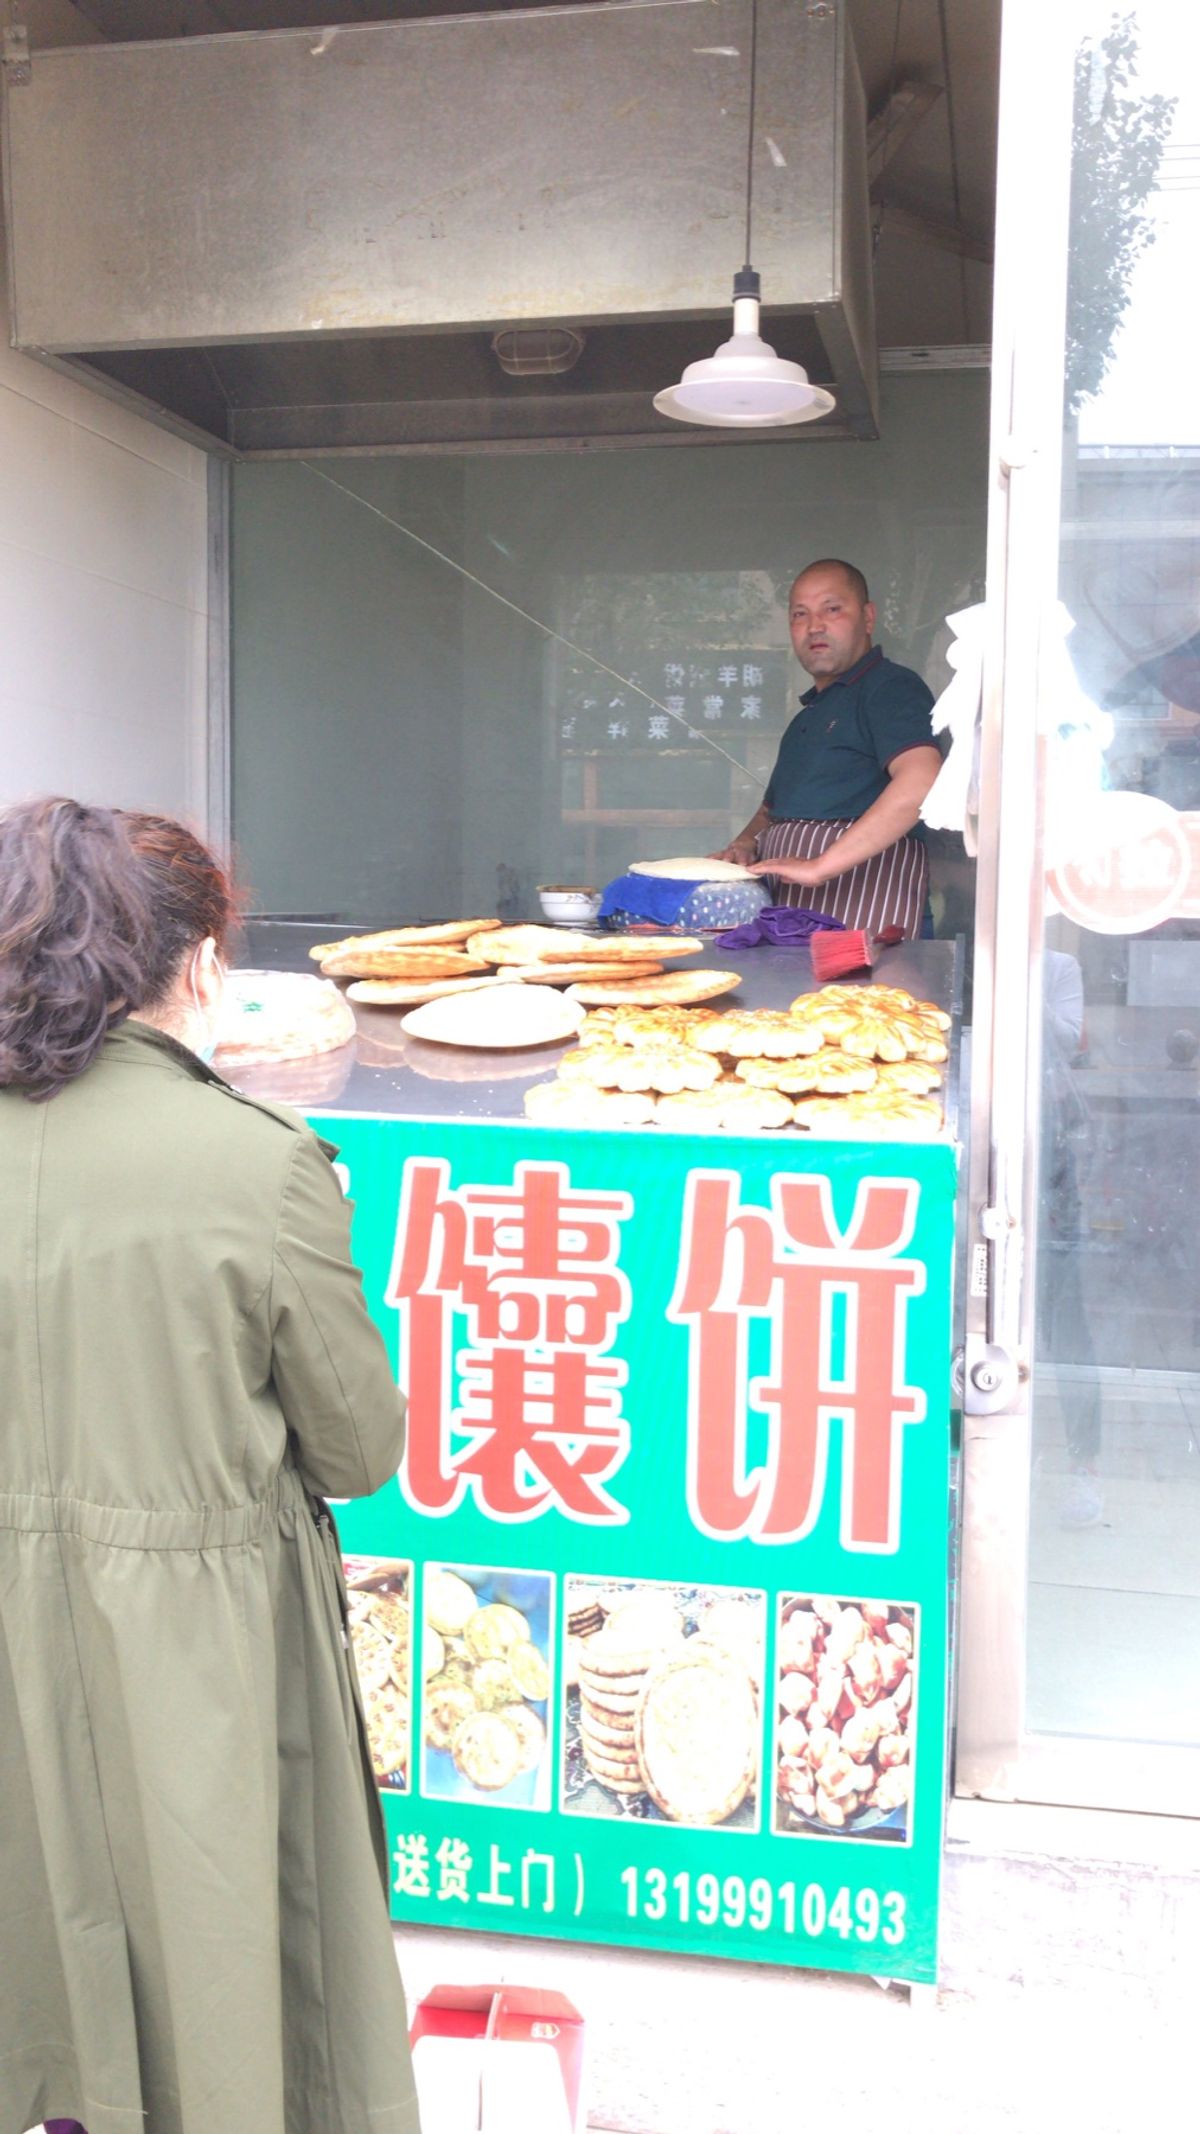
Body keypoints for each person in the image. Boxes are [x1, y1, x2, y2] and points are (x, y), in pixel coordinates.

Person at [0, 799, 420, 2134]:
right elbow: (357, 1447)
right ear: (190, 967)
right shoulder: (263, 1167)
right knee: (226, 1984)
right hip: (201, 1654)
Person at [714, 558, 942, 935]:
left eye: (832, 609)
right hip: (795, 918)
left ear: (868, 618)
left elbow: (922, 782)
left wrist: (821, 866)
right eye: (799, 615)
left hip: (866, 918)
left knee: (863, 998)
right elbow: (773, 809)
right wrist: (745, 842)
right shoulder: (806, 718)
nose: (814, 626)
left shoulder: (890, 688)